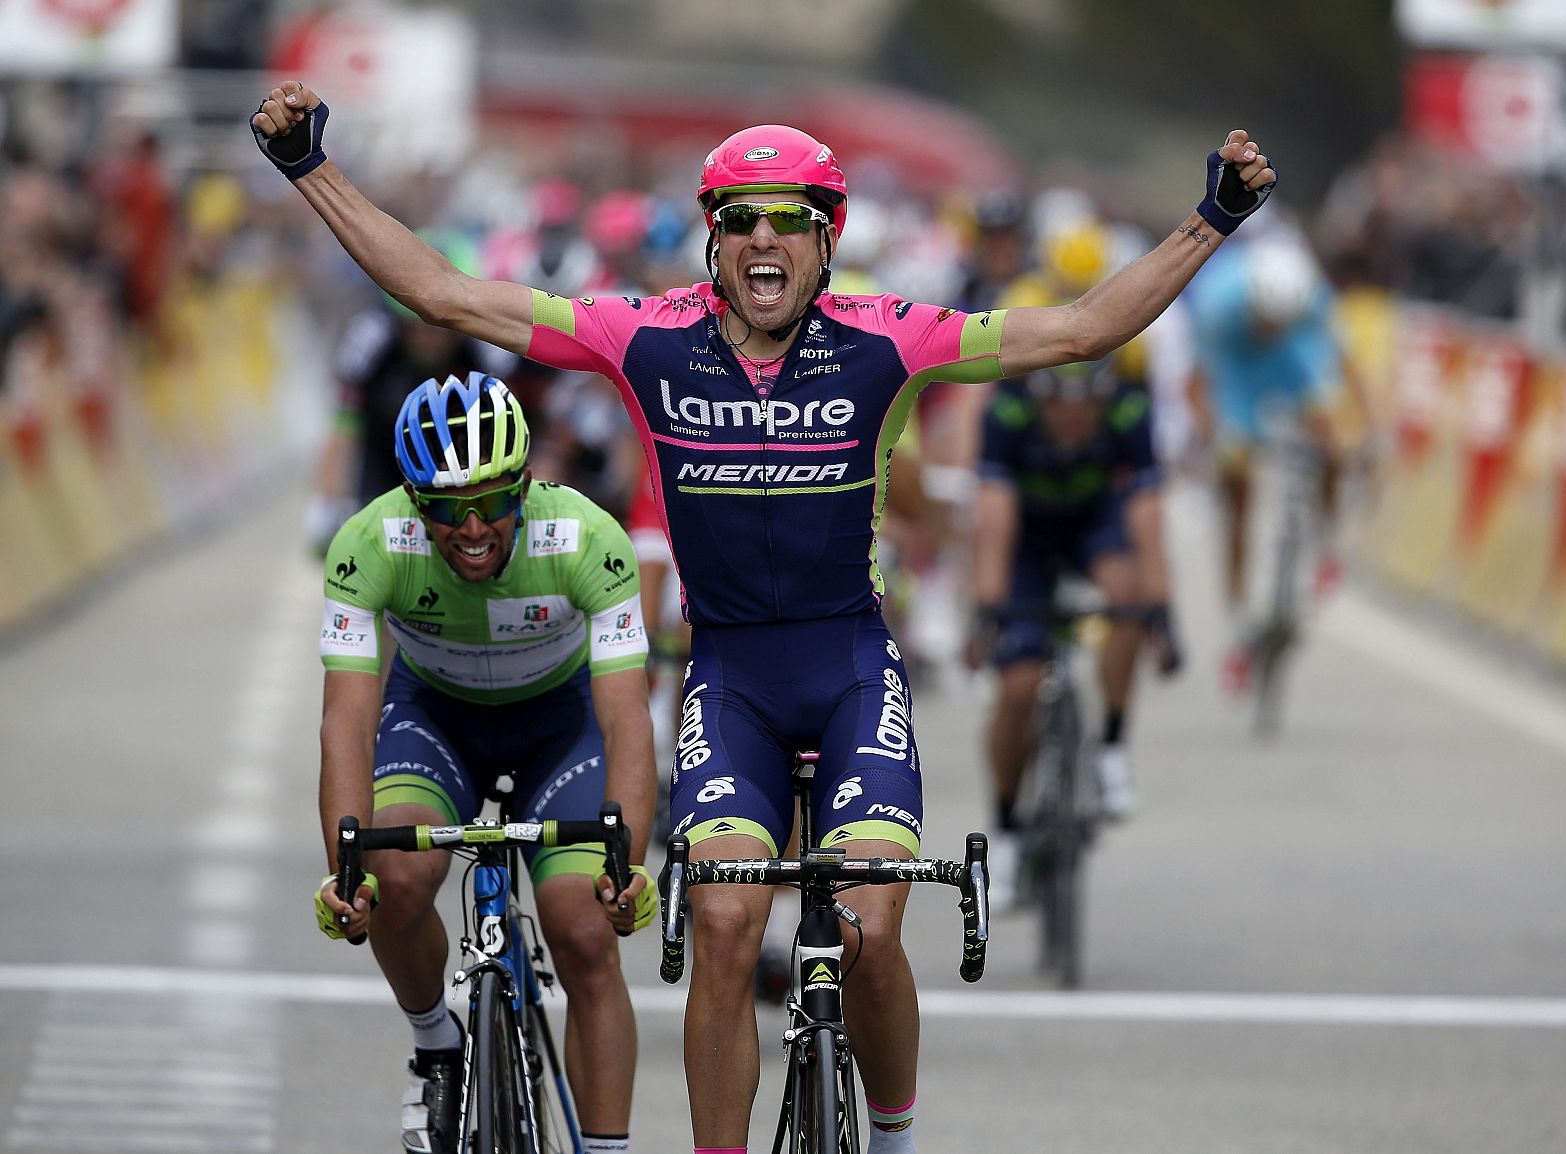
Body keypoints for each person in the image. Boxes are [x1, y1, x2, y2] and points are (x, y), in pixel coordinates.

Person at [253, 81, 1277, 1154]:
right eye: (738, 218)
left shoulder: (892, 338)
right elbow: (450, 295)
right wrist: (309, 168)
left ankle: (891, 1136)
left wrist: (1209, 220)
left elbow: (1078, 330)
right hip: (729, 675)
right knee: (728, 919)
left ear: (826, 238)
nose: (762, 237)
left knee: (873, 925)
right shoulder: (645, 338)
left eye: (789, 216)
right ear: (712, 237)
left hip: (847, 667)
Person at [313, 370, 657, 1154]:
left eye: (494, 503)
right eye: (444, 509)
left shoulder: (586, 538)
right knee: (394, 875)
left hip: (561, 727)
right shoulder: (369, 543)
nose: (472, 529)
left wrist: (627, 859)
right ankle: (437, 1043)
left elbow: (627, 717)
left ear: (525, 486)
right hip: (435, 717)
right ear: (411, 502)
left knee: (582, 929)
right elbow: (346, 720)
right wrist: (346, 867)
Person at [964, 358, 1182, 904]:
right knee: (1017, 689)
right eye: (1059, 404)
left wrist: (1162, 612)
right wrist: (988, 610)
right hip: (1025, 540)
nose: (1073, 416)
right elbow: (992, 520)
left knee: (1127, 594)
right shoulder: (1007, 413)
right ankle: (1008, 830)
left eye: (1086, 405)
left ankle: (1110, 745)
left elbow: (1147, 515)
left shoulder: (1130, 411)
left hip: (1094, 524)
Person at [1184, 237, 1366, 693]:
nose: (1269, 327)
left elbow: (1345, 363)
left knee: (1330, 440)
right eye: (1265, 320)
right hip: (1238, 368)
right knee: (1237, 487)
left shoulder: (1311, 300)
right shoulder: (1217, 303)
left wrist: (1365, 429)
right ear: (1253, 303)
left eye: (1277, 321)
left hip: (1292, 356)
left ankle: (1326, 539)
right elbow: (1196, 385)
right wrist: (1212, 438)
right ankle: (1239, 619)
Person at [305, 230, 521, 554]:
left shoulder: (486, 345)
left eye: (442, 326)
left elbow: (519, 426)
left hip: (467, 470)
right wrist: (325, 502)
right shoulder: (368, 339)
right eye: (418, 325)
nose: (430, 338)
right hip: (383, 466)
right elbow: (344, 426)